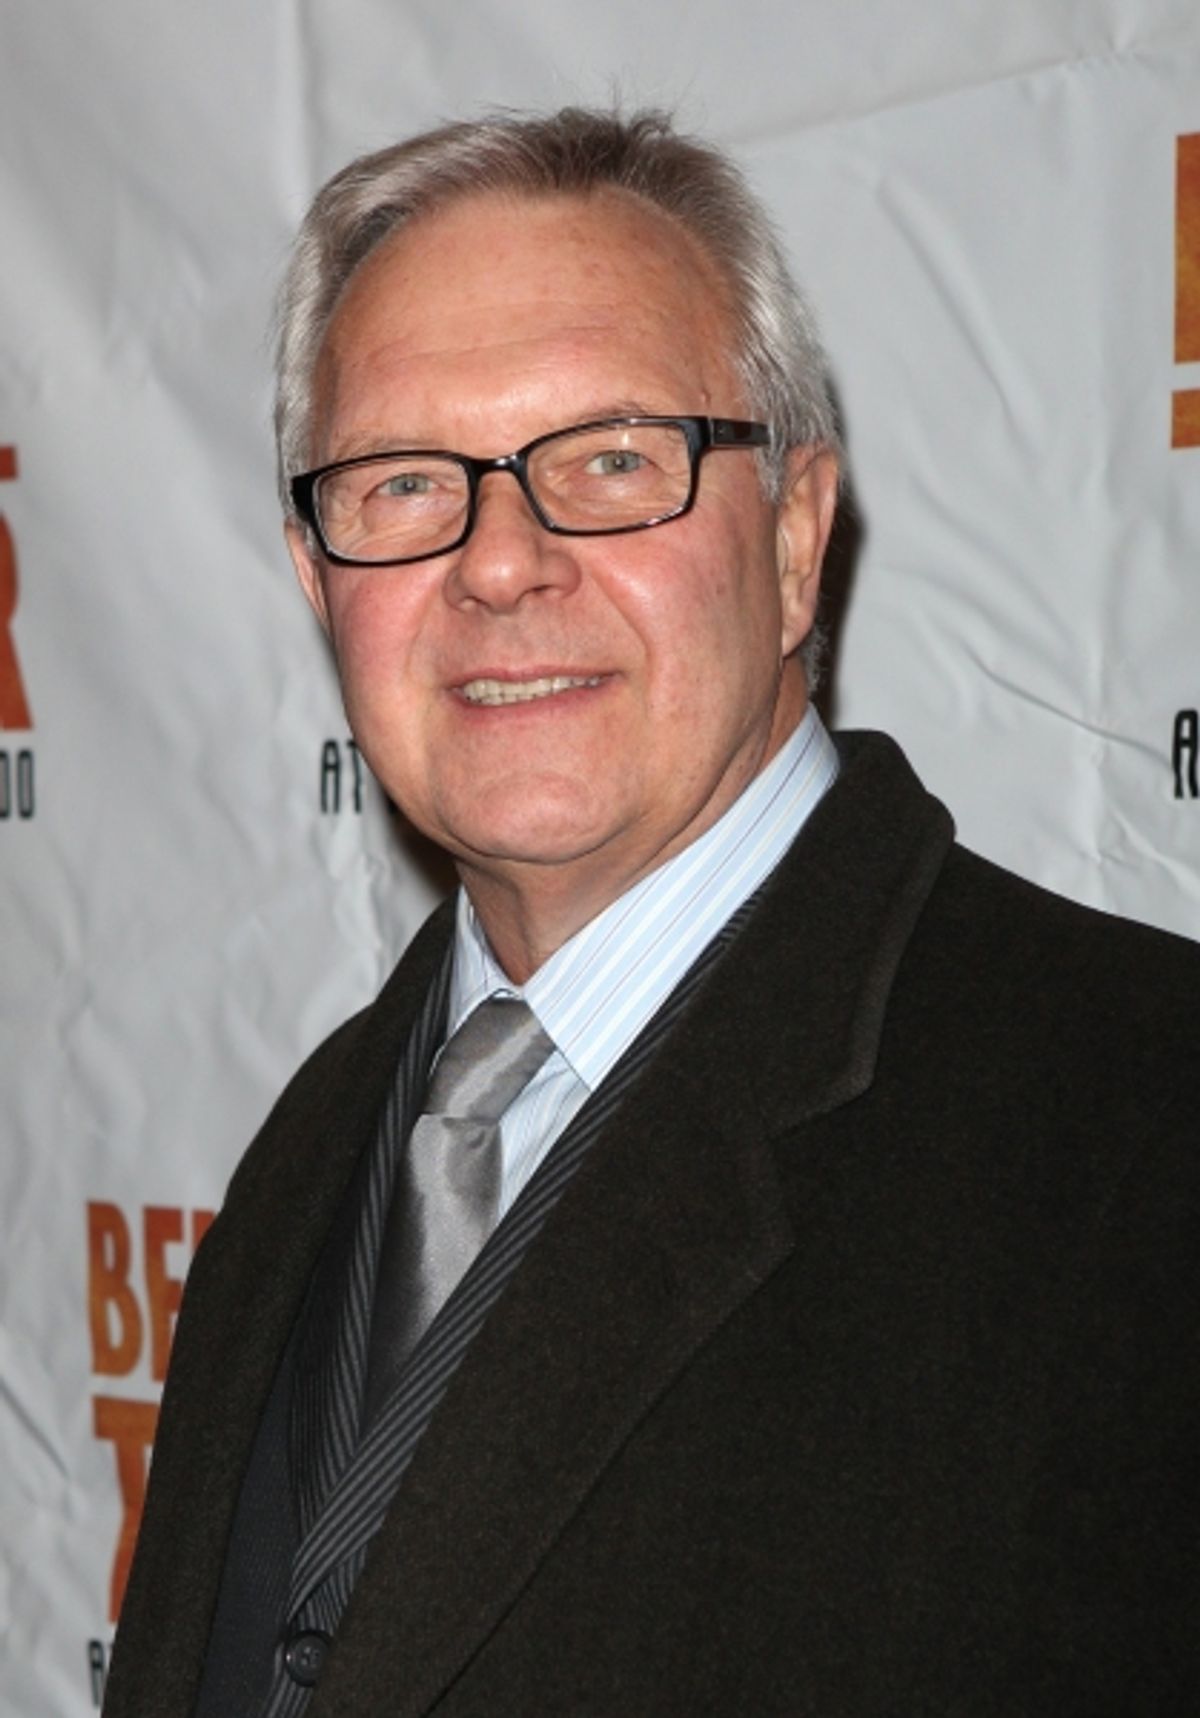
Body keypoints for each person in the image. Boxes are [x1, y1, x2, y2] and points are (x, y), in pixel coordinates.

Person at [104, 108, 1199, 1717]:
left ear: (797, 534)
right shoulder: (320, 1138)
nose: (500, 562)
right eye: (407, 483)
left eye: (612, 459)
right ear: (315, 573)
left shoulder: (1143, 1125)